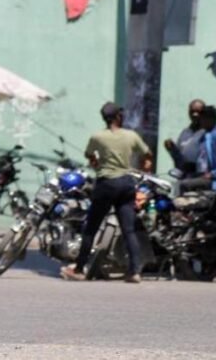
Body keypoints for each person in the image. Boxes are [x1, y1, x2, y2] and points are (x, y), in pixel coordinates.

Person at [61, 102, 152, 283]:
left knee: (90, 229)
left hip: (106, 184)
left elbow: (89, 155)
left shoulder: (97, 137)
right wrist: (145, 168)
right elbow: (147, 155)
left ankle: (79, 269)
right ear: (118, 116)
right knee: (128, 230)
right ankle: (135, 272)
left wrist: (97, 163)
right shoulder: (131, 136)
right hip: (126, 183)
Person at [164, 99, 205, 177]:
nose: (195, 114)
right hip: (185, 175)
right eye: (192, 111)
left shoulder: (207, 133)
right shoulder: (185, 133)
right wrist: (172, 148)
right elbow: (179, 156)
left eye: (199, 112)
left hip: (199, 175)